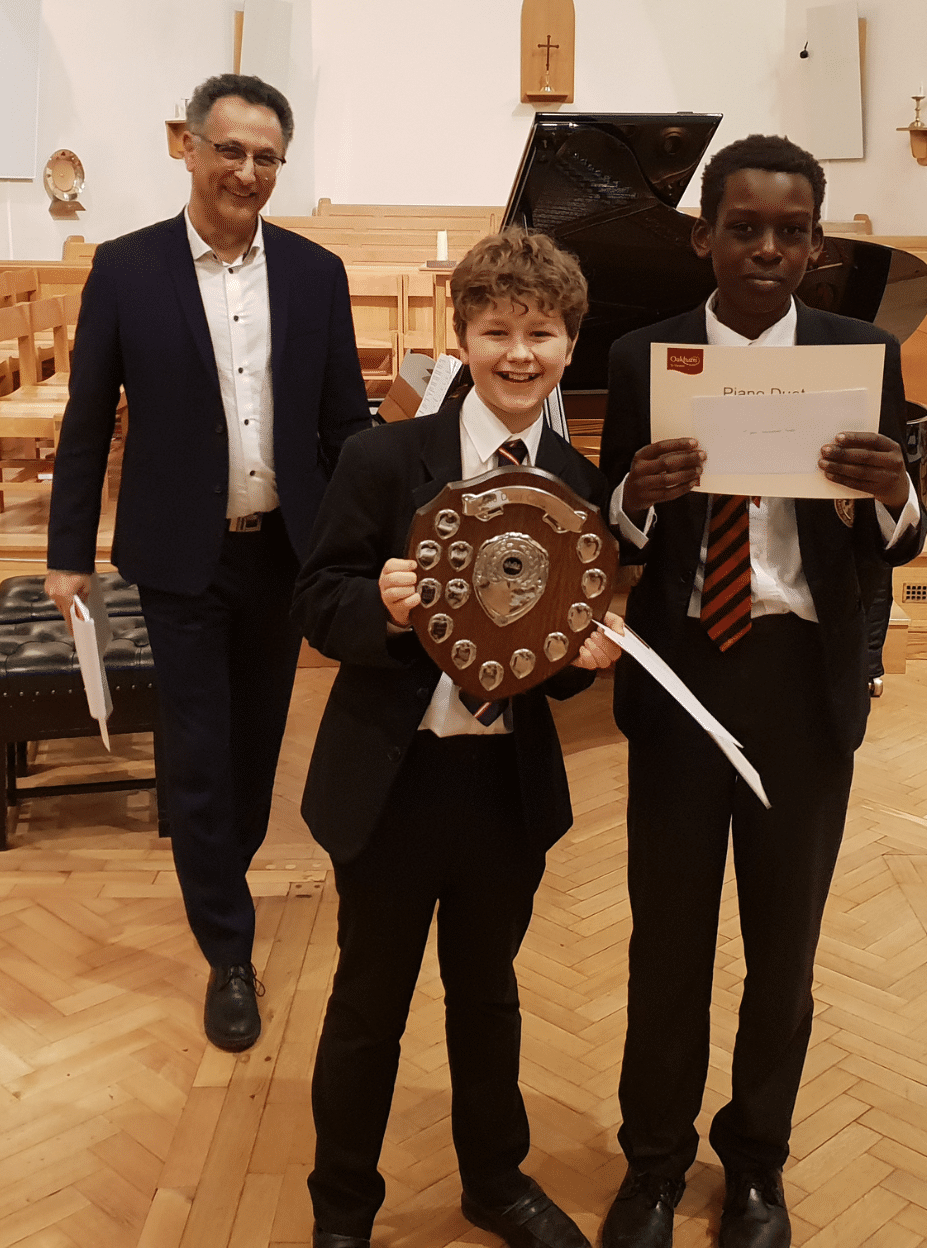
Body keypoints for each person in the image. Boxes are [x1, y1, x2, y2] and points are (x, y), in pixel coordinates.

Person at [595, 135, 927, 1248]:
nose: (767, 249)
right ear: (705, 236)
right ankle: (651, 1166)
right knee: (667, 939)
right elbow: (610, 534)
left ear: (816, 244)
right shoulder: (646, 354)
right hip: (685, 668)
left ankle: (754, 1169)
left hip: (798, 676)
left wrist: (890, 496)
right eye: (744, 227)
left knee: (783, 944)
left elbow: (898, 537)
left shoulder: (862, 354)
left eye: (791, 231)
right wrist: (632, 501)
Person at [292, 228, 622, 1248]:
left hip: (500, 787)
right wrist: (381, 607)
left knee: (487, 996)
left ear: (570, 343)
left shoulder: (575, 486)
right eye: (495, 332)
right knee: (367, 1006)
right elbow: (318, 597)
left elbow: (555, 657)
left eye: (539, 333)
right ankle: (343, 1207)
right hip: (393, 782)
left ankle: (496, 1182)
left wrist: (585, 660)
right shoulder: (385, 457)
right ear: (462, 337)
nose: (517, 354)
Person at [45, 74, 371, 1053]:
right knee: (195, 754)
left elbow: (345, 422)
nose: (246, 171)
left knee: (254, 749)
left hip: (281, 551)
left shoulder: (314, 275)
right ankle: (227, 948)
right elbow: (87, 416)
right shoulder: (125, 269)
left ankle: (220, 875)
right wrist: (67, 553)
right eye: (229, 149)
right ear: (187, 147)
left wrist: (371, 535)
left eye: (266, 155)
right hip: (178, 557)